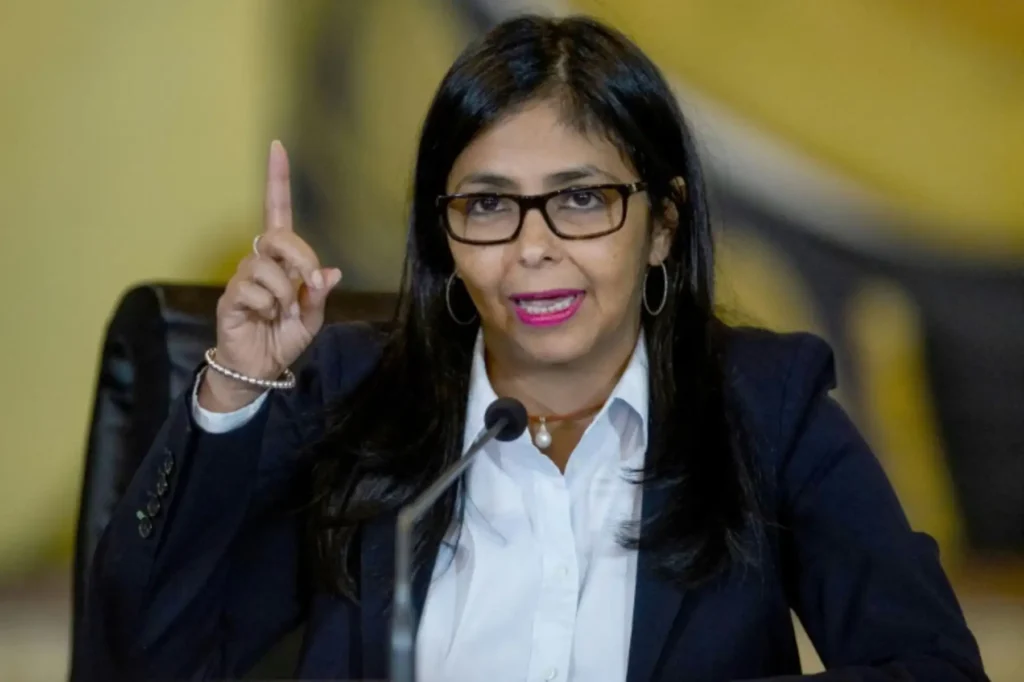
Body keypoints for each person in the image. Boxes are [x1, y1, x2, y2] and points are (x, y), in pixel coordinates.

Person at [79, 14, 987, 682]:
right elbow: (147, 659)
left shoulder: (764, 406)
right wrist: (237, 388)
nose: (534, 246)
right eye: (488, 205)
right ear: (445, 238)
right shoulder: (351, 395)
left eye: (582, 199)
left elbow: (931, 667)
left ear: (663, 225)